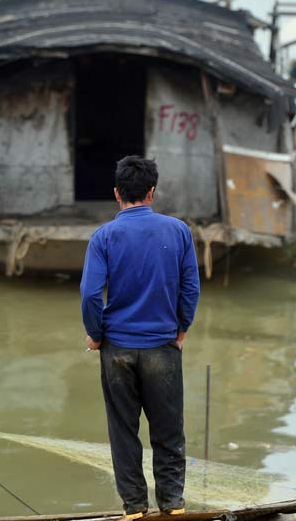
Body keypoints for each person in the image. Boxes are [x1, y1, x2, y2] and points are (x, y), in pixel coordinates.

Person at [80, 156, 200, 520]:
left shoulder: (104, 237)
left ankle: (134, 510)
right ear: (152, 192)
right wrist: (181, 329)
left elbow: (89, 294)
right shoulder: (178, 231)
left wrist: (96, 335)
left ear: (117, 193)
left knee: (124, 434)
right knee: (169, 434)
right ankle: (174, 507)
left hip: (117, 349)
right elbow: (190, 289)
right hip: (163, 347)